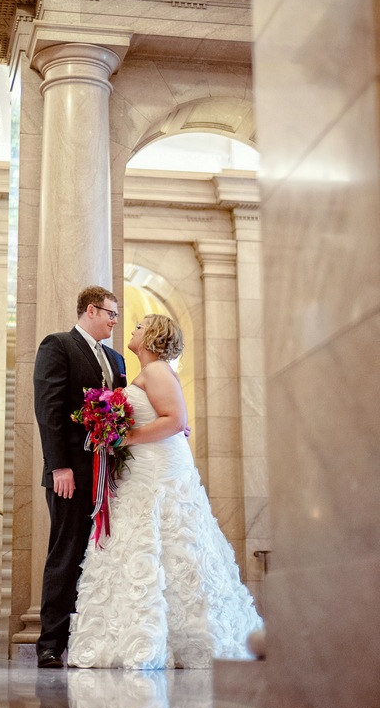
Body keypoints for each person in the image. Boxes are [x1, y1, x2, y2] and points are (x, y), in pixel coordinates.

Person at [67, 313, 263, 670]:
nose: (133, 328)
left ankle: (183, 638)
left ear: (153, 336)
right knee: (146, 544)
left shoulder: (157, 370)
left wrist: (126, 437)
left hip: (159, 468)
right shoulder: (147, 372)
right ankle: (138, 634)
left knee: (171, 541)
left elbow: (176, 420)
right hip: (145, 466)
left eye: (140, 326)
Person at [33, 285, 127, 669]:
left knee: (99, 558)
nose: (115, 321)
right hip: (70, 473)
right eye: (110, 313)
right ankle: (50, 644)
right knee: (67, 553)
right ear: (91, 310)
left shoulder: (116, 359)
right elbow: (49, 409)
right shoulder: (58, 346)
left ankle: (88, 640)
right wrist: (59, 466)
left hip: (106, 475)